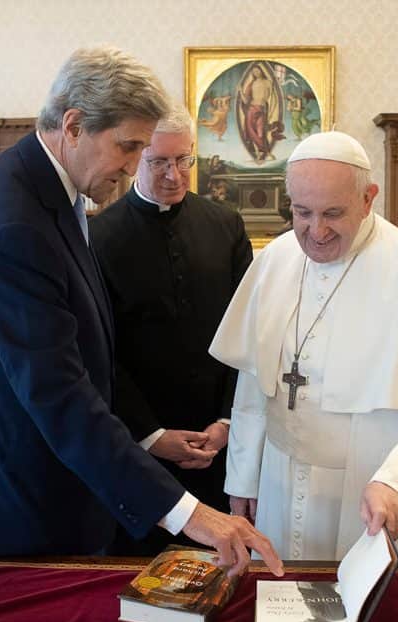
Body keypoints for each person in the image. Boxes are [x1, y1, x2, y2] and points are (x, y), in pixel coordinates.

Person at [0, 46, 282, 577]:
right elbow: (59, 397)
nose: (132, 168)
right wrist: (191, 515)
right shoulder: (15, 225)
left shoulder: (47, 183)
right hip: (31, 479)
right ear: (75, 125)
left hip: (70, 463)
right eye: (128, 147)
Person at [210, 131, 398, 562]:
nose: (315, 231)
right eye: (301, 212)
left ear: (368, 199)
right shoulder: (274, 261)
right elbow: (254, 381)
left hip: (372, 488)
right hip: (282, 485)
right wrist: (244, 478)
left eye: (333, 213)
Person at [90, 107, 253, 555]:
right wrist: (152, 435)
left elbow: (247, 334)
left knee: (223, 566)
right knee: (138, 573)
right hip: (138, 441)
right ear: (135, 159)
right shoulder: (98, 237)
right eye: (159, 162)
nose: (174, 175)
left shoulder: (226, 225)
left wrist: (225, 421)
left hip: (216, 440)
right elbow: (101, 351)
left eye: (184, 160)